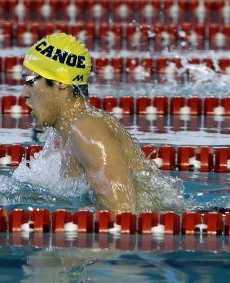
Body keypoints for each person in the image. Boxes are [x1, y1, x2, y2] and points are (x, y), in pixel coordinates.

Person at [21, 32, 183, 213]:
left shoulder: (87, 129)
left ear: (60, 82)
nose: (24, 94)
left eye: (29, 81)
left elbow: (122, 215)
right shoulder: (67, 135)